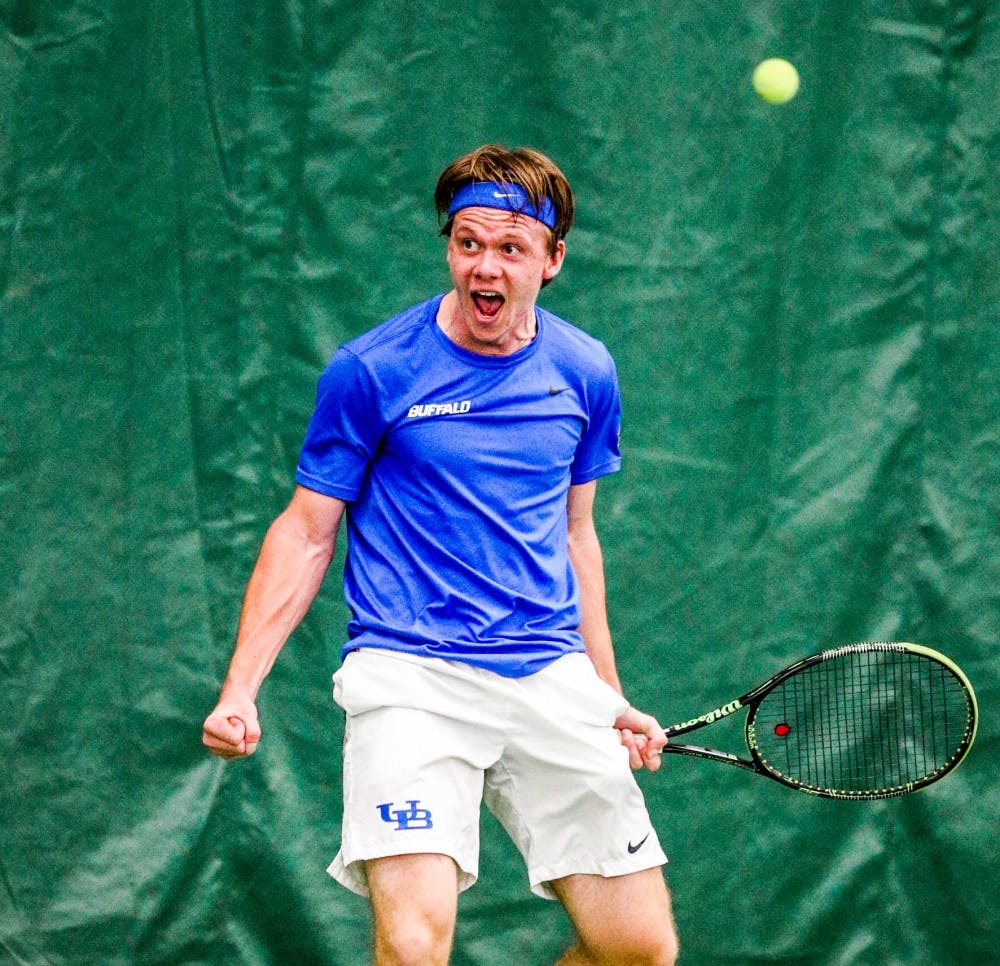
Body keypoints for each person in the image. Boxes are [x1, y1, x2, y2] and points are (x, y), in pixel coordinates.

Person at [202, 144, 679, 966]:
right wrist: (241, 685)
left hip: (547, 675)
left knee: (638, 949)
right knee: (416, 945)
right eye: (467, 243)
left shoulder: (585, 370)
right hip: (411, 679)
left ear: (552, 259)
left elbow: (576, 538)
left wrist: (607, 695)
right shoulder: (372, 369)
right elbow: (308, 529)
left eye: (509, 248)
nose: (483, 268)